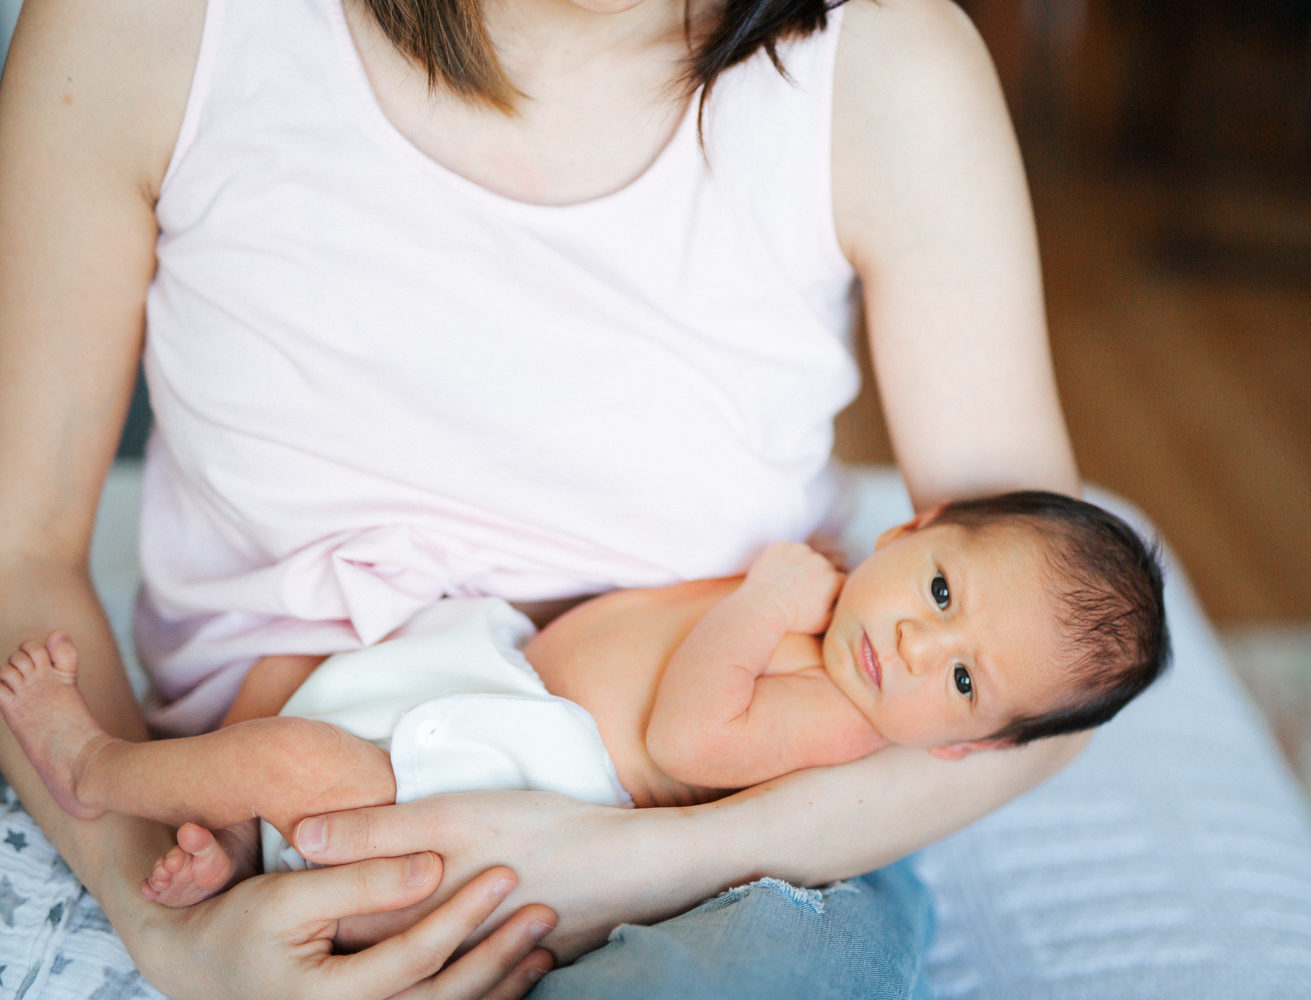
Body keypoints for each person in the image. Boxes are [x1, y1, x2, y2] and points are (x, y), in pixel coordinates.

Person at [0, 0, 1088, 995]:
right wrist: (164, 924)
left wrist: (626, 864)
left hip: (717, 842)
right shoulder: (144, 27)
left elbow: (1046, 684)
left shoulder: (889, 65)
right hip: (282, 809)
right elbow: (20, 546)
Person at [1, 491, 1168, 916]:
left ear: (968, 749)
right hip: (491, 676)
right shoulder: (844, 603)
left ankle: (99, 766)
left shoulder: (843, 716)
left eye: (963, 681)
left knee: (304, 765)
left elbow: (686, 735)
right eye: (944, 588)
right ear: (911, 528)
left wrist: (763, 601)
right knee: (275, 689)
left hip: (517, 778)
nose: (917, 643)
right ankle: (232, 852)